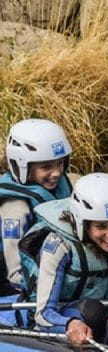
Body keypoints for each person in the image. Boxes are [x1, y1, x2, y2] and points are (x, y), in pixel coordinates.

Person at [17, 172, 108, 345]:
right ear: (83, 224)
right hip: (65, 317)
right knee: (92, 312)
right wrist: (69, 324)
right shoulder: (58, 246)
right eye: (101, 226)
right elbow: (43, 315)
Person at [0, 119, 74, 292]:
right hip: (23, 282)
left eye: (60, 163)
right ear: (22, 165)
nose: (56, 173)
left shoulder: (60, 185)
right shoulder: (16, 209)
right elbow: (15, 273)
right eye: (46, 167)